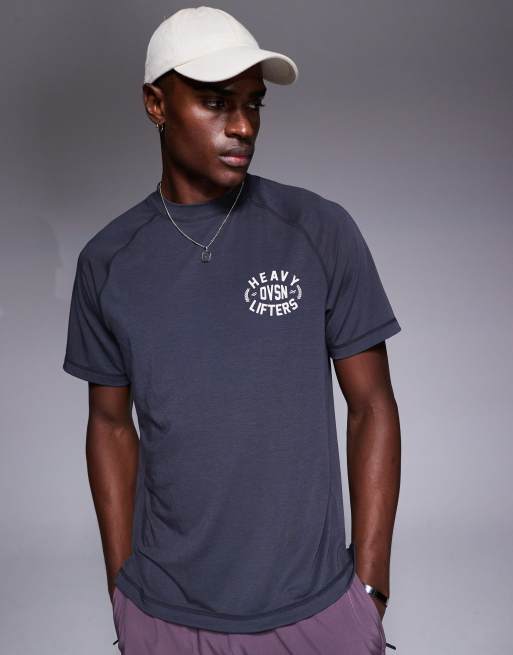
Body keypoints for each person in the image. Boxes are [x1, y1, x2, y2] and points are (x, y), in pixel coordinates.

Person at [62, 6, 401, 654]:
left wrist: (370, 588)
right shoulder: (109, 262)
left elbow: (372, 405)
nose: (243, 125)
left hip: (317, 611)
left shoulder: (318, 230)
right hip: (164, 617)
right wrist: (121, 593)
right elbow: (108, 426)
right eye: (216, 102)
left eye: (253, 104)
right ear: (156, 104)